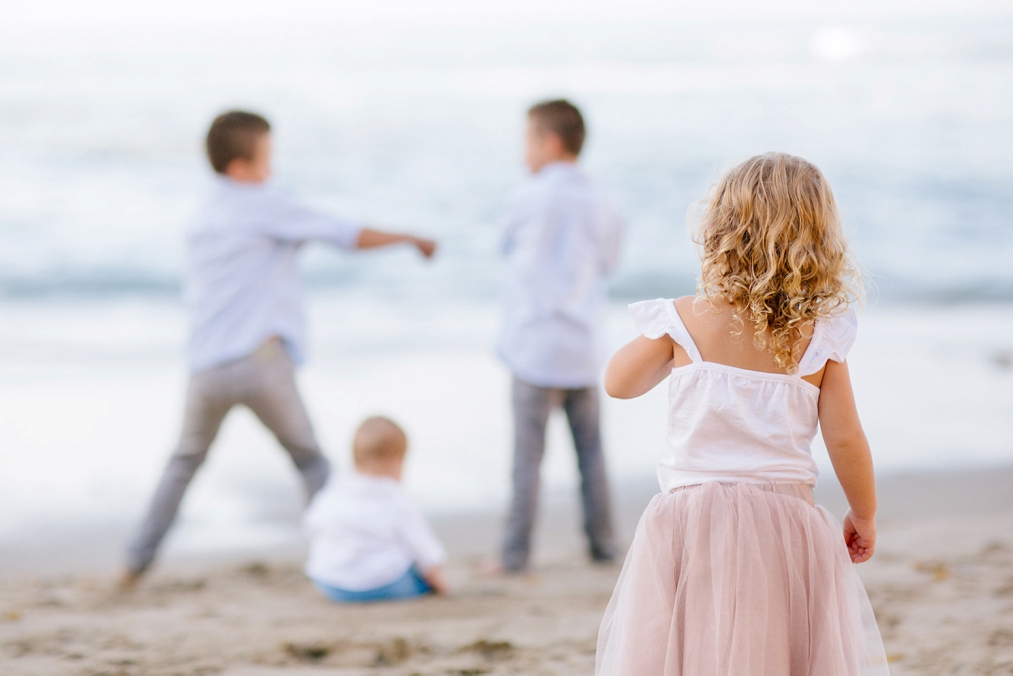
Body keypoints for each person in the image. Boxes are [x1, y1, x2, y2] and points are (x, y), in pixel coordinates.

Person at [595, 153, 889, 675]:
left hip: (692, 518)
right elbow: (846, 440)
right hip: (786, 521)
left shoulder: (685, 320)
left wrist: (676, 351)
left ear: (720, 230)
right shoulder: (820, 335)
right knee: (779, 649)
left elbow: (618, 384)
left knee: (690, 648)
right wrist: (862, 514)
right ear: (819, 241)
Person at [119, 111, 437, 587]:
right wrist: (412, 238)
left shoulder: (203, 214)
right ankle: (343, 559)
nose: (272, 169)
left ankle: (133, 563)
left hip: (205, 368)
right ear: (239, 168)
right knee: (311, 463)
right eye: (266, 159)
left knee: (183, 464)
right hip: (260, 363)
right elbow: (347, 234)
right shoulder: (264, 205)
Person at [497, 99, 622, 573]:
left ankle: (514, 555)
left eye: (527, 142)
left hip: (534, 343)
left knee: (527, 456)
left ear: (549, 143)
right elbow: (609, 264)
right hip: (582, 343)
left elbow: (503, 247)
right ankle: (603, 546)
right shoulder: (603, 199)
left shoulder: (528, 195)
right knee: (590, 452)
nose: (523, 154)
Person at [303, 416, 448, 602]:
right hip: (382, 585)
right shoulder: (396, 500)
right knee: (414, 574)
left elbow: (312, 526)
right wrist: (440, 584)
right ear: (395, 462)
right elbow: (425, 551)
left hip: (332, 585)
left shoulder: (333, 492)